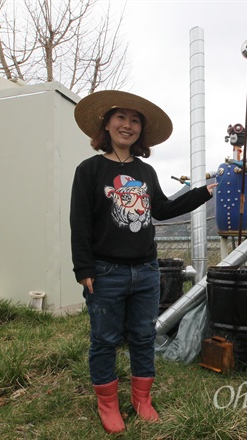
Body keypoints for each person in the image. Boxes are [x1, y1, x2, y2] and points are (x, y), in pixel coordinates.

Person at [70, 90, 217, 434]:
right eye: (121, 117)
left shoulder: (147, 171)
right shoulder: (89, 170)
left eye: (135, 120)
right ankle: (107, 404)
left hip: (147, 271)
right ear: (106, 124)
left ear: (141, 132)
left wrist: (201, 192)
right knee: (104, 339)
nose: (128, 125)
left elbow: (162, 209)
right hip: (105, 271)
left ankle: (142, 399)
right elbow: (80, 221)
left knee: (141, 336)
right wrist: (84, 268)